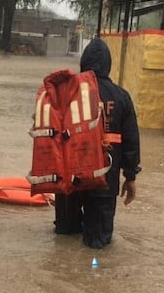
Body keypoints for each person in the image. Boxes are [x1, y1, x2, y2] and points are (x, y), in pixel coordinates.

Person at [54, 37, 141, 248]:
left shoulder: (65, 92)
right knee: (98, 244)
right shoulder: (121, 97)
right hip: (105, 179)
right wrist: (130, 177)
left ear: (83, 63)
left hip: (69, 178)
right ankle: (94, 276)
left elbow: (49, 135)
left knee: (64, 237)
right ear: (108, 65)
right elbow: (131, 141)